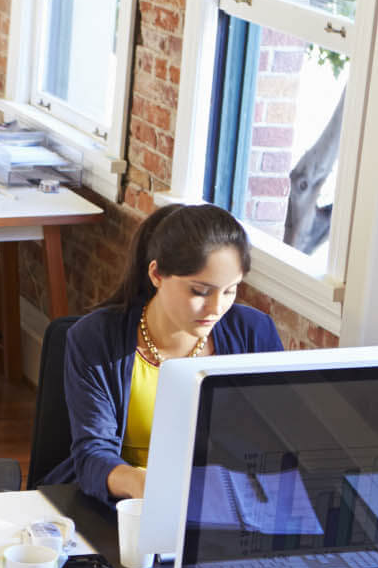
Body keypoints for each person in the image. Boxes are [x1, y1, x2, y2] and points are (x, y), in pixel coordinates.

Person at [40, 203, 283, 506]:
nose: (216, 309)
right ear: (156, 274)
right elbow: (91, 456)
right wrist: (142, 484)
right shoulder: (95, 339)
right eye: (200, 291)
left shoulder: (254, 332)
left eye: (230, 290)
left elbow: (275, 440)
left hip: (221, 506)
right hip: (122, 505)